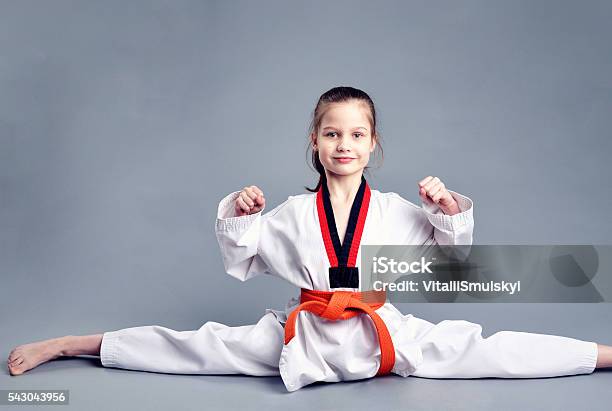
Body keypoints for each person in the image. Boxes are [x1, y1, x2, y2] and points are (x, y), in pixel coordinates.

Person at [7, 86, 612, 392]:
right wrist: (242, 215)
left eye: (356, 134)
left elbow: (455, 262)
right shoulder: (294, 214)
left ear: (374, 144)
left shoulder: (400, 211)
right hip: (304, 334)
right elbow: (241, 258)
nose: (343, 144)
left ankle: (603, 354)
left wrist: (449, 210)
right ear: (315, 142)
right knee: (197, 347)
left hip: (383, 335)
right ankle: (71, 344)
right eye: (331, 133)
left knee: (486, 351)